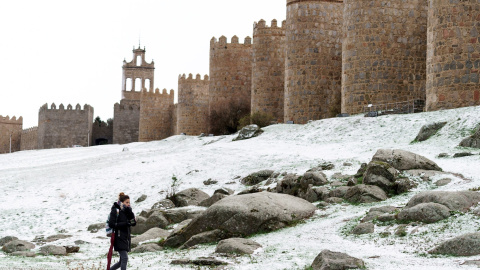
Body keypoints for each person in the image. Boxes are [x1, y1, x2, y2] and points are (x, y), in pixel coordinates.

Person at [108, 192, 136, 270]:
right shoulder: (116, 209)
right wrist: (125, 223)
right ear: (122, 202)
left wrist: (131, 217)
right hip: (118, 237)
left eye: (129, 202)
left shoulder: (127, 211)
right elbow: (111, 224)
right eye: (127, 202)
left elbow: (133, 222)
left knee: (121, 261)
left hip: (126, 237)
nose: (128, 204)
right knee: (125, 258)